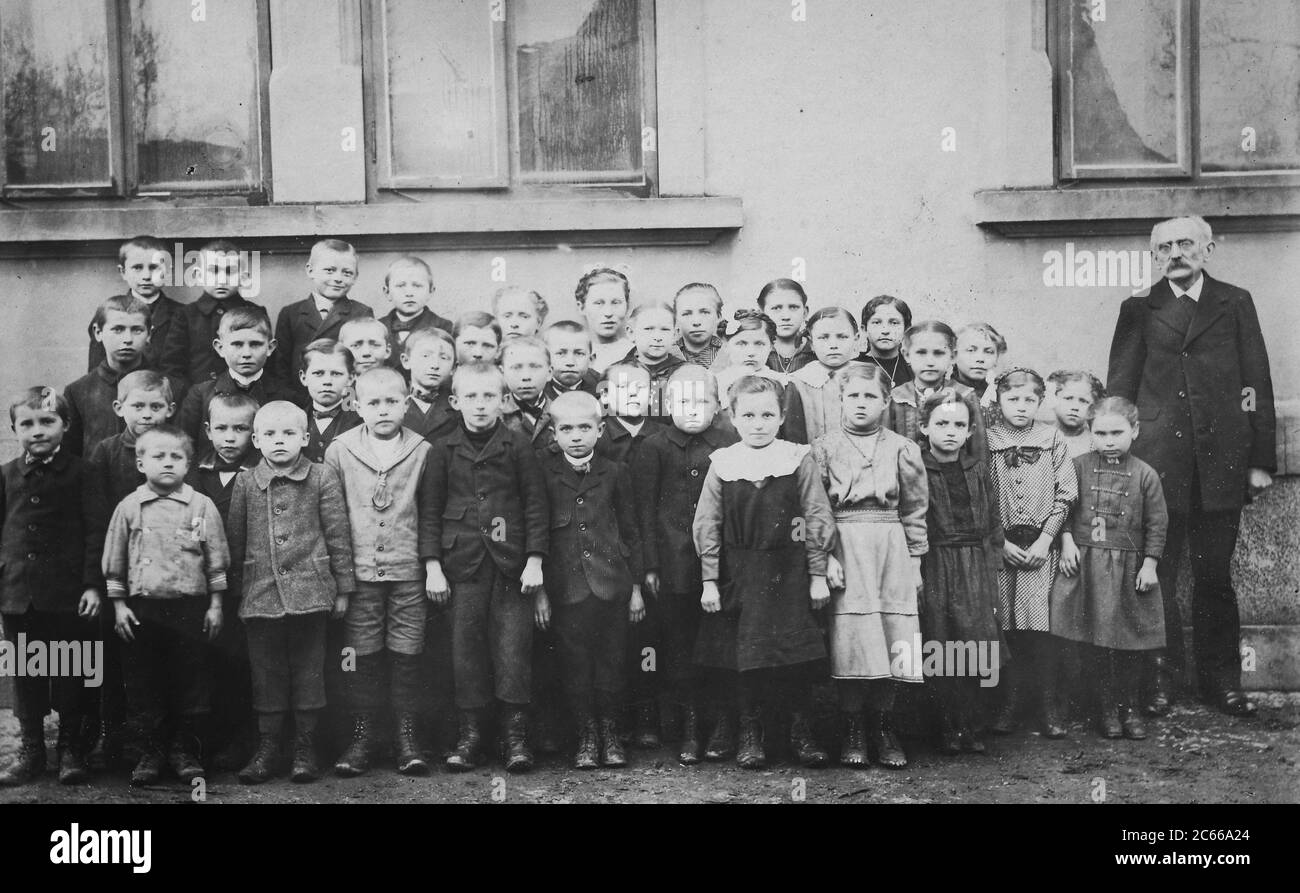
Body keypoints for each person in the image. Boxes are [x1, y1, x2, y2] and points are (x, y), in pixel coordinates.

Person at [1106, 215, 1276, 717]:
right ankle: (1162, 682)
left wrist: (1260, 459)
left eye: (1186, 244)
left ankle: (1222, 683)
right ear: (1154, 255)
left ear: (1208, 248)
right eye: (1165, 247)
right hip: (1158, 464)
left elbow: (1255, 381)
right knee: (1156, 574)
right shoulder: (1138, 308)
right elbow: (1121, 390)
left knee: (1215, 577)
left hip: (1222, 460)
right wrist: (1120, 460)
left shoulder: (1234, 302)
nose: (1175, 253)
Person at [693, 375, 834, 770]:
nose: (759, 423)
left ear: (781, 416)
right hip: (740, 571)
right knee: (746, 655)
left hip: (789, 568)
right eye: (749, 415)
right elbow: (707, 523)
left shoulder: (797, 457)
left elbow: (816, 515)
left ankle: (800, 733)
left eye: (767, 414)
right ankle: (750, 734)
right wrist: (709, 579)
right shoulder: (724, 463)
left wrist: (818, 572)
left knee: (796, 656)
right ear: (733, 418)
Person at [425, 363, 549, 773]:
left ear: (504, 400)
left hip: (512, 567)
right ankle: (472, 735)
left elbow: (535, 505)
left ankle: (515, 737)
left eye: (489, 396)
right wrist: (432, 567)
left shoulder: (517, 447)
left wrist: (534, 560)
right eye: (472, 397)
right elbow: (429, 512)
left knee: (514, 649)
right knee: (466, 651)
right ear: (456, 401)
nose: (481, 405)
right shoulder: (441, 450)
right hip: (463, 567)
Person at [228, 401, 355, 783]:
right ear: (256, 439)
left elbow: (337, 534)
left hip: (310, 592)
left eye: (288, 434)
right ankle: (269, 748)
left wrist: (343, 588)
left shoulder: (322, 476)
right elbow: (236, 540)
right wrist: (237, 594)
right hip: (260, 594)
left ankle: (305, 747)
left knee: (308, 672)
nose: (279, 441)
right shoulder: (246, 482)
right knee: (266, 674)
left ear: (305, 437)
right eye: (269, 434)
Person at [812, 364, 928, 769]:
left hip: (890, 545)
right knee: (851, 637)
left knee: (892, 633)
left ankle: (884, 727)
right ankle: (853, 731)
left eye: (870, 397)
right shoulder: (823, 448)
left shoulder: (902, 448)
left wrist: (914, 563)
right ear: (841, 400)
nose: (861, 404)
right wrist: (825, 557)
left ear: (884, 402)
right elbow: (817, 510)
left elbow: (915, 509)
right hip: (845, 544)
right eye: (853, 396)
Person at [324, 369, 438, 777]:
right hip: (359, 573)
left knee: (409, 650)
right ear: (355, 405)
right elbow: (333, 517)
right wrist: (340, 575)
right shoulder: (339, 450)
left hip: (408, 571)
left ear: (406, 403)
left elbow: (431, 513)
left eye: (392, 401)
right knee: (360, 653)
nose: (383, 409)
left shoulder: (423, 449)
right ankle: (363, 735)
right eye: (373, 402)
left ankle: (408, 736)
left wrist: (429, 567)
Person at [101, 425, 229, 786]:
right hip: (142, 613)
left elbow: (216, 560)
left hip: (190, 610)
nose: (168, 463)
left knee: (191, 682)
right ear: (141, 463)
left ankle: (184, 750)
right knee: (144, 684)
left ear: (189, 464)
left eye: (177, 457)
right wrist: (119, 606)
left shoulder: (200, 506)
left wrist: (216, 605)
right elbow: (115, 563)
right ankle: (151, 751)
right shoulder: (128, 508)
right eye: (159, 456)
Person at [634, 365, 739, 764]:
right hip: (673, 564)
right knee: (679, 645)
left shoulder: (730, 441)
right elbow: (644, 511)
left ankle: (723, 724)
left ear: (718, 405)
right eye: (682, 402)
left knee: (721, 642)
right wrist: (650, 566)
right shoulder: (654, 447)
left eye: (702, 401)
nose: (692, 410)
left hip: (722, 565)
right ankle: (690, 725)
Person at [534, 391, 643, 768]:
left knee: (612, 663)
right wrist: (542, 594)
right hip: (567, 591)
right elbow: (540, 537)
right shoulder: (543, 475)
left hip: (612, 586)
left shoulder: (616, 473)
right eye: (566, 428)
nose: (576, 435)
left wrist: (637, 589)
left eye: (585, 427)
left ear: (600, 430)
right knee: (574, 665)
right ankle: (586, 736)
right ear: (553, 434)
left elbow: (631, 533)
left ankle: (612, 735)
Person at [0, 388, 102, 786]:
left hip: (68, 596)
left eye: (47, 421)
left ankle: (71, 750)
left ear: (66, 425)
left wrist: (93, 585)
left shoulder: (84, 472)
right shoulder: (7, 475)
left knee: (72, 671)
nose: (37, 431)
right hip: (18, 594)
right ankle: (31, 751)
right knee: (26, 674)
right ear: (14, 429)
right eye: (27, 423)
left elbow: (96, 532)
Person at [1054, 397, 1168, 741]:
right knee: (1094, 642)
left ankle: (1130, 706)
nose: (1108, 440)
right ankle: (1104, 709)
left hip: (1128, 568)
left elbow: (1157, 523)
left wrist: (1149, 564)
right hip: (1087, 564)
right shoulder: (1077, 466)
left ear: (1134, 430)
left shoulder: (1145, 474)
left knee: (1129, 641)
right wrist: (1067, 540)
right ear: (1090, 432)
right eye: (1100, 433)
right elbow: (1064, 508)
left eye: (1117, 433)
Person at [985, 369, 1077, 739]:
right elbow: (984, 500)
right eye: (1013, 399)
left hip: (1041, 549)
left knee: (1041, 630)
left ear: (1040, 402)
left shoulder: (1051, 438)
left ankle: (1049, 704)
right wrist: (999, 543)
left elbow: (1066, 494)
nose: (1021, 407)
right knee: (1007, 630)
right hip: (1004, 551)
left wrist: (1045, 540)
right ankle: (1011, 702)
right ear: (999, 401)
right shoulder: (988, 439)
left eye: (1029, 400)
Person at [917, 389, 1003, 756]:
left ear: (970, 432)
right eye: (941, 424)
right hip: (935, 560)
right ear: (924, 427)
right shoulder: (918, 467)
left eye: (959, 425)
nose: (950, 432)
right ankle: (945, 726)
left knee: (974, 641)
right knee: (940, 639)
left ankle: (969, 722)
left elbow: (993, 519)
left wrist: (991, 563)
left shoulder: (977, 468)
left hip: (974, 562)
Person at [185, 392, 260, 769]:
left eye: (241, 429)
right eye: (222, 429)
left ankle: (241, 741)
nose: (230, 438)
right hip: (203, 587)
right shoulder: (194, 475)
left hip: (247, 585)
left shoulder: (262, 471)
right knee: (203, 663)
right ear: (207, 431)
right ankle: (204, 740)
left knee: (241, 664)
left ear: (255, 433)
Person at [178, 307, 300, 450]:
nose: (246, 353)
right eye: (237, 344)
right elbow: (184, 449)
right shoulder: (200, 396)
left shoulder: (287, 397)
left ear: (270, 347)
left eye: (255, 344)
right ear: (220, 348)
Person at [159, 239, 263, 401]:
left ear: (243, 277)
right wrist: (192, 396)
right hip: (197, 400)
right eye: (213, 271)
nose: (221, 280)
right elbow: (173, 367)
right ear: (199, 276)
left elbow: (266, 362)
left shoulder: (255, 313)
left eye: (230, 272)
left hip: (245, 397)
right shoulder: (186, 315)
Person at [272, 239, 374, 397]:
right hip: (300, 399)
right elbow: (281, 367)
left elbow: (362, 365)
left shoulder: (361, 313)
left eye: (347, 273)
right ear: (310, 270)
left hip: (345, 398)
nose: (338, 278)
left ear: (355, 277)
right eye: (330, 270)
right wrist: (291, 400)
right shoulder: (291, 314)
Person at [885, 320, 988, 463]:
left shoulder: (965, 395)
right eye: (921, 352)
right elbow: (885, 450)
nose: (930, 361)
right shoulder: (896, 398)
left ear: (953, 356)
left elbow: (979, 452)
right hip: (909, 479)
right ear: (907, 355)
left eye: (938, 353)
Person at [66, 296, 155, 455]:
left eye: (137, 330)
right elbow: (72, 455)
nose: (127, 339)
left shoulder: (171, 387)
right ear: (98, 332)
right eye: (118, 329)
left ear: (149, 334)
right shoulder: (77, 391)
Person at [86, 236, 182, 374]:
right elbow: (97, 371)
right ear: (123, 272)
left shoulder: (182, 314)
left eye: (154, 267)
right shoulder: (108, 313)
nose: (146, 276)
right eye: (137, 268)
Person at [788, 307, 864, 443]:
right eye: (823, 338)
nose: (833, 345)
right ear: (811, 343)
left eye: (842, 337)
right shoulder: (798, 381)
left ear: (856, 338)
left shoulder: (868, 377)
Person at [377, 256, 453, 366]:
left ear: (431, 291)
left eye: (417, 286)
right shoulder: (378, 327)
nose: (409, 293)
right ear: (387, 292)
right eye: (401, 285)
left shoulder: (443, 327)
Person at [620, 303, 686, 422]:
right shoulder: (616, 373)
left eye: (665, 329)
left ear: (675, 334)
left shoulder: (688, 373)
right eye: (649, 329)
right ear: (631, 333)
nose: (657, 337)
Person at [299, 339, 361, 463]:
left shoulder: (361, 421)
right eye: (318, 373)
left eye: (336, 374)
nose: (327, 381)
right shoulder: (295, 420)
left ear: (350, 378)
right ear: (304, 377)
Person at [401, 327, 460, 444]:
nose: (435, 365)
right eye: (425, 356)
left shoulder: (458, 407)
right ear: (406, 361)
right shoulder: (392, 401)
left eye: (444, 358)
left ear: (454, 368)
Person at [500, 336, 556, 450]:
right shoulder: (496, 415)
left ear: (549, 373)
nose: (526, 377)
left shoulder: (560, 413)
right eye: (516, 368)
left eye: (535, 367)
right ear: (502, 373)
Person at [575, 268, 632, 375]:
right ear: (581, 307)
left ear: (627, 306)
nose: (608, 313)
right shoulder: (570, 354)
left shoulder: (636, 353)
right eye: (598, 303)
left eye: (616, 302)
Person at [953, 323, 1007, 426]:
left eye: (988, 352)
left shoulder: (999, 396)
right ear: (954, 355)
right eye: (971, 350)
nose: (980, 359)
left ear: (997, 358)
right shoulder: (944, 393)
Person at [856, 295, 914, 390]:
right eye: (877, 323)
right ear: (864, 330)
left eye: (894, 323)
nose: (885, 331)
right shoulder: (852, 367)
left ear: (906, 330)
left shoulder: (914, 370)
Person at [757, 279, 815, 375]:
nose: (786, 317)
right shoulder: (754, 353)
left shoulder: (818, 351)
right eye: (776, 308)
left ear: (805, 312)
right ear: (762, 314)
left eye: (793, 307)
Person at [1047, 369, 1106, 459]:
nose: (1075, 407)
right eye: (1068, 398)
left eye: (1083, 401)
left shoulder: (1096, 444)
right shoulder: (1039, 438)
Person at [542, 320, 600, 401]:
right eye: (561, 353)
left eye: (579, 353)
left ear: (591, 360)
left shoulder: (603, 388)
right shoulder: (534, 388)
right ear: (545, 358)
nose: (570, 362)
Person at [673, 283, 726, 368]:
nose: (696, 322)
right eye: (686, 314)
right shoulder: (666, 354)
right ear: (676, 320)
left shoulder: (730, 352)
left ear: (718, 316)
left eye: (705, 312)